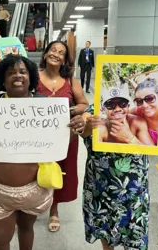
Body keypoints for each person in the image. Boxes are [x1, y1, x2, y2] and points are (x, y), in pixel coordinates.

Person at [0, 54, 85, 250]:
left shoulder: (46, 105)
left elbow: (61, 138)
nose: (17, 76)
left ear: (31, 78)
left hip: (35, 187)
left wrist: (76, 127)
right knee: (1, 239)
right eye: (10, 73)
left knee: (27, 229)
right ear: (2, 79)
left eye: (22, 72)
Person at [36, 40, 89, 232]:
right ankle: (31, 207)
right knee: (34, 172)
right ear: (45, 54)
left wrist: (70, 109)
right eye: (52, 50)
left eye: (61, 53)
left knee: (58, 172)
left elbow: (84, 103)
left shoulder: (70, 81)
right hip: (37, 137)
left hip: (64, 137)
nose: (55, 54)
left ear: (64, 60)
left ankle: (54, 210)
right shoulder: (33, 77)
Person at [80, 105, 149, 250]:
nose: (117, 108)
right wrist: (87, 125)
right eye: (111, 104)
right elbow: (83, 134)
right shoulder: (92, 112)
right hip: (100, 189)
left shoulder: (140, 117)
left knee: (135, 237)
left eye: (122, 103)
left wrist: (129, 137)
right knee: (105, 236)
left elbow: (154, 149)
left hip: (133, 192)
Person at [131, 78, 158, 144]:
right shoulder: (138, 111)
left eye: (150, 99)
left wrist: (129, 138)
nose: (145, 105)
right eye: (139, 101)